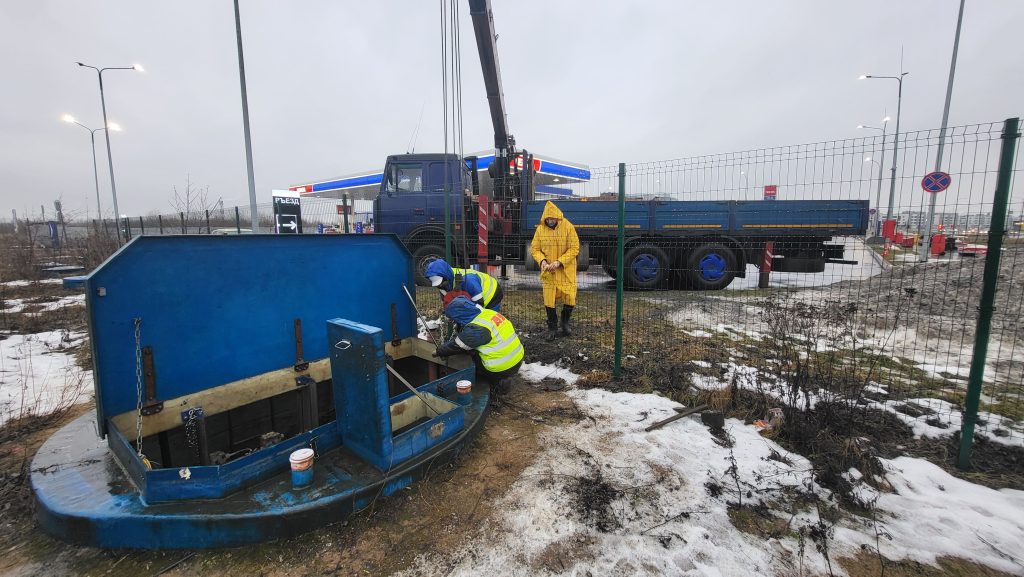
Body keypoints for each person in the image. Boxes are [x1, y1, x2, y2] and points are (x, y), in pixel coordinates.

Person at [433, 296, 523, 388]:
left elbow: (457, 345)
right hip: (518, 358)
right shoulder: (488, 313)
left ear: (460, 316)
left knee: (470, 353)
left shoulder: (477, 329)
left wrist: (439, 351)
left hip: (501, 367)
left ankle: (495, 384)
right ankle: (502, 378)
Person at [530, 201, 579, 341]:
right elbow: (535, 249)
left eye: (552, 218)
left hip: (565, 270)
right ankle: (552, 328)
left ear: (557, 217)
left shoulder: (568, 227)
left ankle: (565, 323)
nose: (550, 221)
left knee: (570, 296)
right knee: (549, 299)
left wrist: (559, 262)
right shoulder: (540, 230)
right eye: (548, 219)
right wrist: (542, 261)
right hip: (549, 271)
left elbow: (574, 248)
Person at [424, 258, 504, 311]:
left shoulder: (467, 279)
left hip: (493, 294)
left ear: (446, 276)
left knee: (488, 321)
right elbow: (447, 302)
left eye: (441, 282)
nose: (440, 285)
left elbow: (479, 304)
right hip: (477, 295)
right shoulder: (443, 284)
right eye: (438, 284)